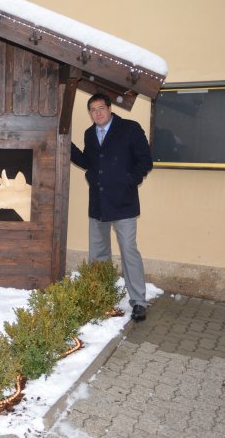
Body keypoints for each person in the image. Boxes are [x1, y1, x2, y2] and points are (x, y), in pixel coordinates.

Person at [71, 93, 152, 321]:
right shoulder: (89, 134)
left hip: (123, 202)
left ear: (109, 109)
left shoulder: (130, 128)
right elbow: (88, 161)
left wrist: (129, 181)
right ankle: (100, 297)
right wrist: (68, 146)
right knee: (98, 253)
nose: (97, 113)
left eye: (101, 108)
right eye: (93, 110)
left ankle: (138, 301)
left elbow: (145, 160)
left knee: (128, 251)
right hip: (98, 202)